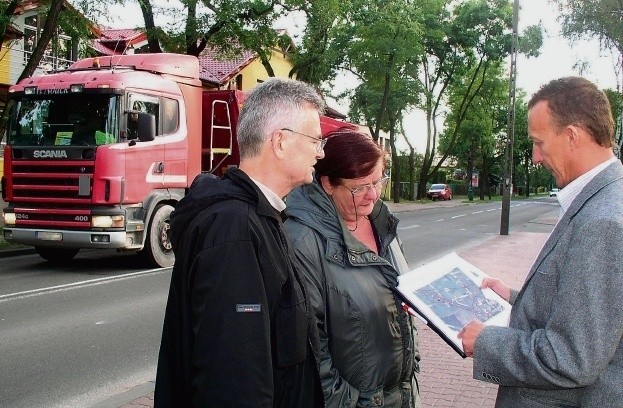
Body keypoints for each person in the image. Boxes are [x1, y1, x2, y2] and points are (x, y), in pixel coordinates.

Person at [154, 78, 327, 407]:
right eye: (316, 140)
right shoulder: (234, 228)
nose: (320, 152)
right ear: (280, 142)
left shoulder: (261, 217)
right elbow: (233, 378)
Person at [458, 76, 623, 407]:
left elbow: (573, 358)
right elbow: (592, 309)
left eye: (539, 142)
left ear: (572, 136)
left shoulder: (602, 222)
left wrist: (487, 342)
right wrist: (518, 299)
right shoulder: (603, 198)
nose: (535, 157)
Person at [284, 129, 421, 407]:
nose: (373, 195)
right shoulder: (302, 241)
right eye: (359, 187)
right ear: (328, 184)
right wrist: (354, 403)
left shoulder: (383, 223)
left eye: (378, 181)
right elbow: (311, 349)